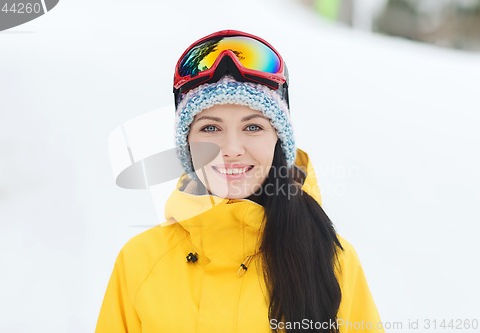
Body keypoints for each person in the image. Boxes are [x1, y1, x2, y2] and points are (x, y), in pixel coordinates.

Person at [95, 29, 384, 333]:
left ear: (278, 139)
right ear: (187, 143)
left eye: (253, 127)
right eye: (210, 129)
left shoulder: (332, 260)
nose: (232, 150)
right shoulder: (140, 261)